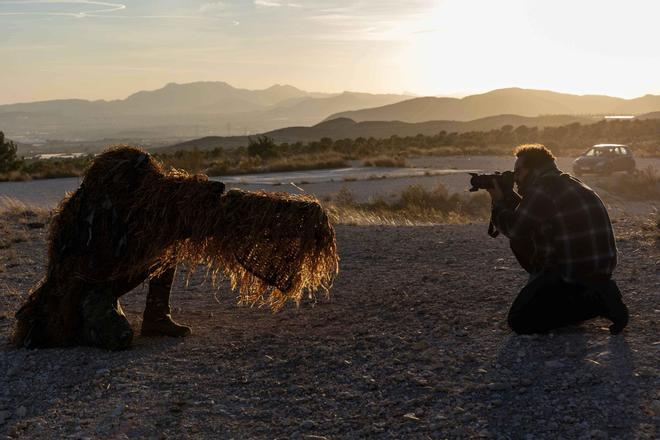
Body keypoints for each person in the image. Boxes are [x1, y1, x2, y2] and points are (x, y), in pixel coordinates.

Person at [485, 144, 629, 335]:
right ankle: (582, 295)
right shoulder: (569, 182)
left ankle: (597, 302)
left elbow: (514, 228)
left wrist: (498, 202)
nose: (515, 177)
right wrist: (509, 197)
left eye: (518, 172)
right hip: (599, 269)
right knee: (520, 242)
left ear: (533, 170)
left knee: (520, 321)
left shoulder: (543, 189)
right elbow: (529, 218)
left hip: (573, 273)